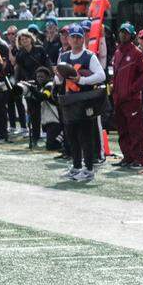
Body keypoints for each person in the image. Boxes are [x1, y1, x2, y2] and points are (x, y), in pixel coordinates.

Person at [55, 26, 107, 182]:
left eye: (79, 37)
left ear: (83, 38)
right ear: (68, 39)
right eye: (73, 37)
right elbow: (58, 80)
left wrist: (82, 80)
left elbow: (101, 75)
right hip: (70, 100)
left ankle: (89, 168)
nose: (76, 40)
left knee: (86, 135)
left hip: (85, 100)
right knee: (71, 136)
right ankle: (76, 166)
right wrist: (57, 76)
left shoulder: (89, 56)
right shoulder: (63, 56)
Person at [111, 22, 143, 170]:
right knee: (123, 129)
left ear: (132, 35)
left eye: (126, 32)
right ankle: (128, 157)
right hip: (119, 99)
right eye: (121, 32)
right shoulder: (117, 52)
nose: (123, 35)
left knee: (136, 130)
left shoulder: (137, 53)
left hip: (132, 99)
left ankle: (139, 159)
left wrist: (132, 89)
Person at [11, 30, 50, 147]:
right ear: (20, 42)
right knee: (33, 112)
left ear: (31, 38)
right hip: (29, 85)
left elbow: (47, 64)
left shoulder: (40, 49)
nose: (24, 41)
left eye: (26, 38)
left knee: (48, 108)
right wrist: (18, 83)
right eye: (22, 40)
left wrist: (49, 79)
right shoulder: (20, 54)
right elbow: (18, 70)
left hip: (43, 83)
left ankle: (49, 133)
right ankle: (36, 137)